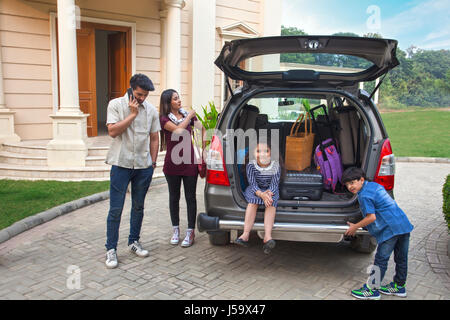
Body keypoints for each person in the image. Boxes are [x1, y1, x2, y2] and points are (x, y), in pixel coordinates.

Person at [104, 74, 160, 269]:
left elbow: (154, 138)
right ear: (130, 88)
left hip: (143, 166)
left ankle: (134, 241)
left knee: (138, 207)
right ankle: (111, 249)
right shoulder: (116, 105)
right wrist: (132, 115)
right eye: (139, 94)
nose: (142, 98)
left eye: (145, 95)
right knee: (116, 209)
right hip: (121, 164)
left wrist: (152, 163)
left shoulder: (151, 110)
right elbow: (112, 131)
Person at [342, 167, 414, 300]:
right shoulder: (374, 186)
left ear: (361, 180)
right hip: (403, 224)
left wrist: (355, 227)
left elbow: (371, 217)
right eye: (347, 184)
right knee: (401, 258)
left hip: (390, 230)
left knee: (381, 259)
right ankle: (399, 286)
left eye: (352, 183)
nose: (350, 187)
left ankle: (372, 290)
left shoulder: (364, 195)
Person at [159, 89, 204, 248]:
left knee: (190, 197)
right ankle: (176, 230)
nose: (179, 101)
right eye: (175, 99)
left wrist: (204, 148)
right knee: (174, 197)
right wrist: (190, 116)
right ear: (168, 102)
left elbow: (202, 128)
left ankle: (190, 231)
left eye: (179, 97)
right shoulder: (164, 119)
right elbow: (178, 131)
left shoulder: (186, 115)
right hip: (172, 164)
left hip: (189, 162)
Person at [235, 141, 281, 254]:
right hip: (254, 189)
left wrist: (268, 195)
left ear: (271, 153)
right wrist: (261, 194)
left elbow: (274, 184)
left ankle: (268, 236)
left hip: (270, 190)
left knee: (271, 202)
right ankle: (245, 234)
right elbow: (252, 183)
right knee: (253, 201)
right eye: (258, 151)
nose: (262, 154)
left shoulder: (275, 166)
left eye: (266, 151)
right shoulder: (251, 165)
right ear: (253, 154)